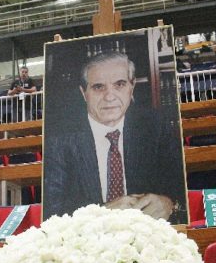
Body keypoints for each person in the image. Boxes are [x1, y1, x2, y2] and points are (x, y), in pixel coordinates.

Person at [43, 51, 187, 224]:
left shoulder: (156, 127)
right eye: (98, 87)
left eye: (119, 84)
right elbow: (51, 211)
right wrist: (101, 213)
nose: (109, 97)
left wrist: (170, 203)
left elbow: (180, 186)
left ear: (132, 87)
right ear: (84, 93)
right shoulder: (59, 141)